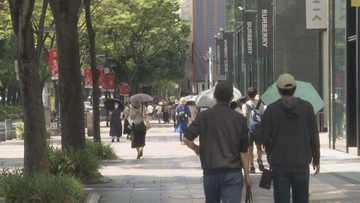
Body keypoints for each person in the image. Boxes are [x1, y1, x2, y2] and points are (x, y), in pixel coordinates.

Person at [184, 80, 252, 203]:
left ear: (214, 95)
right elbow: (244, 151)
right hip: (233, 173)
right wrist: (247, 176)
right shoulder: (239, 119)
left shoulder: (204, 117)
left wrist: (197, 149)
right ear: (232, 97)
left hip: (211, 172)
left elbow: (187, 138)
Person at [260, 73, 320, 203]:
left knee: (281, 199)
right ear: (295, 87)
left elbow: (264, 137)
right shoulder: (307, 107)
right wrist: (316, 158)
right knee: (301, 199)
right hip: (301, 161)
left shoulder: (271, 109)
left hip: (279, 163)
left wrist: (270, 151)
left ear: (278, 89)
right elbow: (314, 135)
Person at [242, 87, 265, 173]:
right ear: (256, 94)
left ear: (247, 95)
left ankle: (251, 166)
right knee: (259, 146)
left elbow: (244, 116)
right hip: (259, 129)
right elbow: (263, 115)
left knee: (250, 148)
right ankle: (259, 158)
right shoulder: (261, 104)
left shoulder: (245, 105)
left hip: (249, 130)